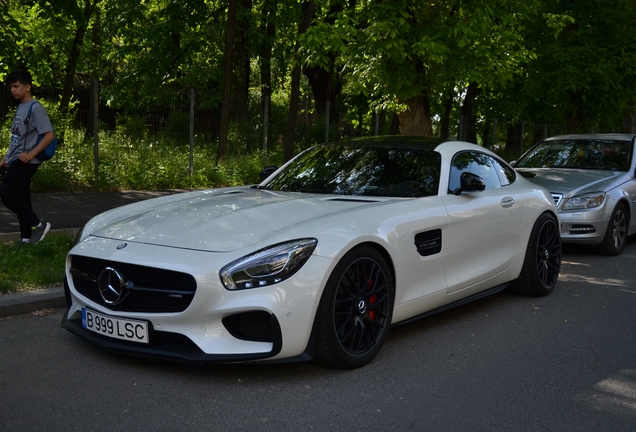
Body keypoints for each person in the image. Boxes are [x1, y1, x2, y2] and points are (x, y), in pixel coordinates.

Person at [0, 70, 53, 244]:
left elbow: (49, 135)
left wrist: (31, 154)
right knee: (22, 197)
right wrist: (6, 158)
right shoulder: (21, 107)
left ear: (27, 87)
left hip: (27, 161)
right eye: (11, 87)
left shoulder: (35, 107)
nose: (13, 90)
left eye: (16, 86)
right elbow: (17, 137)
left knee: (7, 194)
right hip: (15, 159)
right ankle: (25, 238)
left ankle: (39, 225)